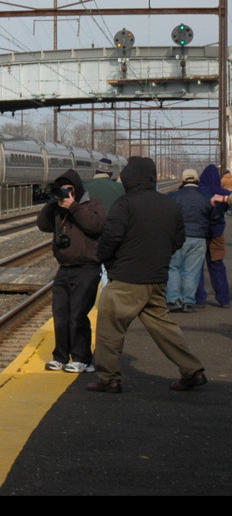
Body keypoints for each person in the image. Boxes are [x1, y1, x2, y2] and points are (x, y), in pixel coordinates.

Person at [91, 156, 207, 393]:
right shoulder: (170, 205)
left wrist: (106, 260)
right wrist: (159, 259)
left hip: (126, 279)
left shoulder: (124, 204)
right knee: (164, 328)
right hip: (156, 279)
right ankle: (193, 370)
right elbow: (178, 240)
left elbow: (110, 238)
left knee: (109, 328)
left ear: (130, 178)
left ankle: (109, 378)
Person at [36, 169, 105, 373]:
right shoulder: (59, 209)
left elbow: (95, 226)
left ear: (78, 189)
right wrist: (52, 202)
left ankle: (83, 358)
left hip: (87, 267)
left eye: (69, 189)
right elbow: (42, 225)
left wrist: (74, 206)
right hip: (64, 268)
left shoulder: (93, 205)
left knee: (78, 314)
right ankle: (61, 356)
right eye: (63, 189)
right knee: (60, 314)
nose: (66, 193)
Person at [166, 169, 220, 312]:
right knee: (192, 271)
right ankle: (188, 302)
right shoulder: (207, 198)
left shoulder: (173, 196)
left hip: (177, 238)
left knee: (173, 268)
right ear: (198, 181)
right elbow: (215, 218)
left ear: (182, 181)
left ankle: (173, 300)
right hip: (199, 238)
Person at [84, 157, 125, 286]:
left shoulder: (84, 187)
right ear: (110, 172)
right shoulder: (119, 189)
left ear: (96, 170)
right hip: (112, 239)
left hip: (88, 239)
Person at [197, 166, 232, 308]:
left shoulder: (199, 192)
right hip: (217, 234)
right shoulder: (225, 193)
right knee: (217, 265)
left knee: (197, 266)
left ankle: (199, 299)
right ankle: (224, 299)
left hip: (200, 233)